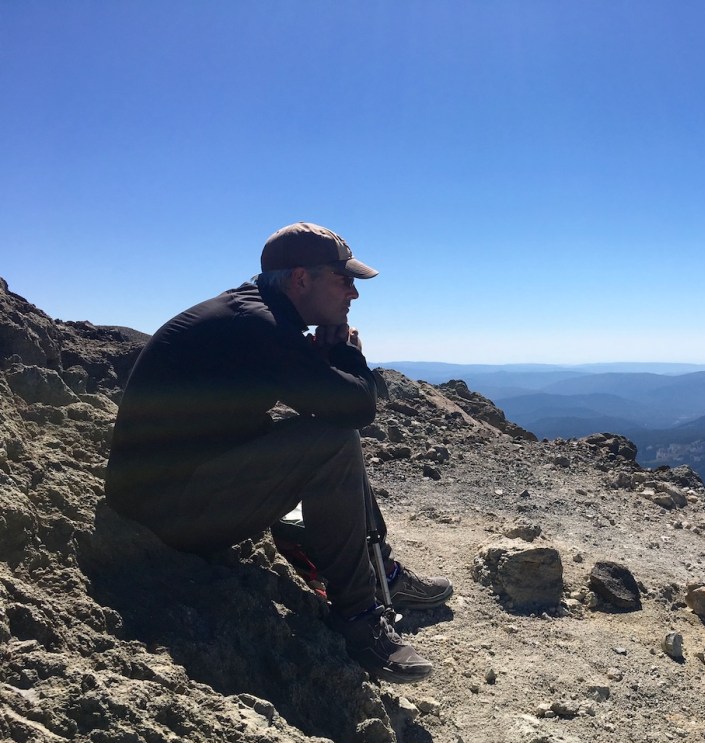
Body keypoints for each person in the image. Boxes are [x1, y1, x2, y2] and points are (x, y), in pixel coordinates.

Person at [105, 221, 450, 683]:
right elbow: (355, 408)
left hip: (170, 492)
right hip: (166, 516)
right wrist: (348, 356)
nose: (354, 294)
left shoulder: (251, 316)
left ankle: (380, 570)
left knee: (322, 435)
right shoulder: (261, 326)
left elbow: (323, 403)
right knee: (332, 441)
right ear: (301, 278)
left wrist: (327, 364)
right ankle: (359, 619)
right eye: (343, 279)